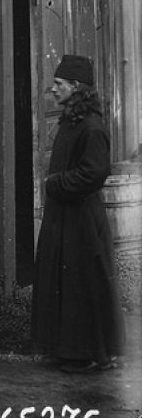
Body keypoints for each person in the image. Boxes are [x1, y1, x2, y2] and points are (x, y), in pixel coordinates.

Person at [31, 55, 125, 373]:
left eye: (59, 84)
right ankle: (66, 349)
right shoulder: (71, 121)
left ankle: (84, 352)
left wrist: (56, 183)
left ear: (75, 87)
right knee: (64, 281)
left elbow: (95, 172)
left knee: (81, 284)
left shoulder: (91, 126)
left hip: (82, 219)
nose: (53, 90)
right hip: (65, 217)